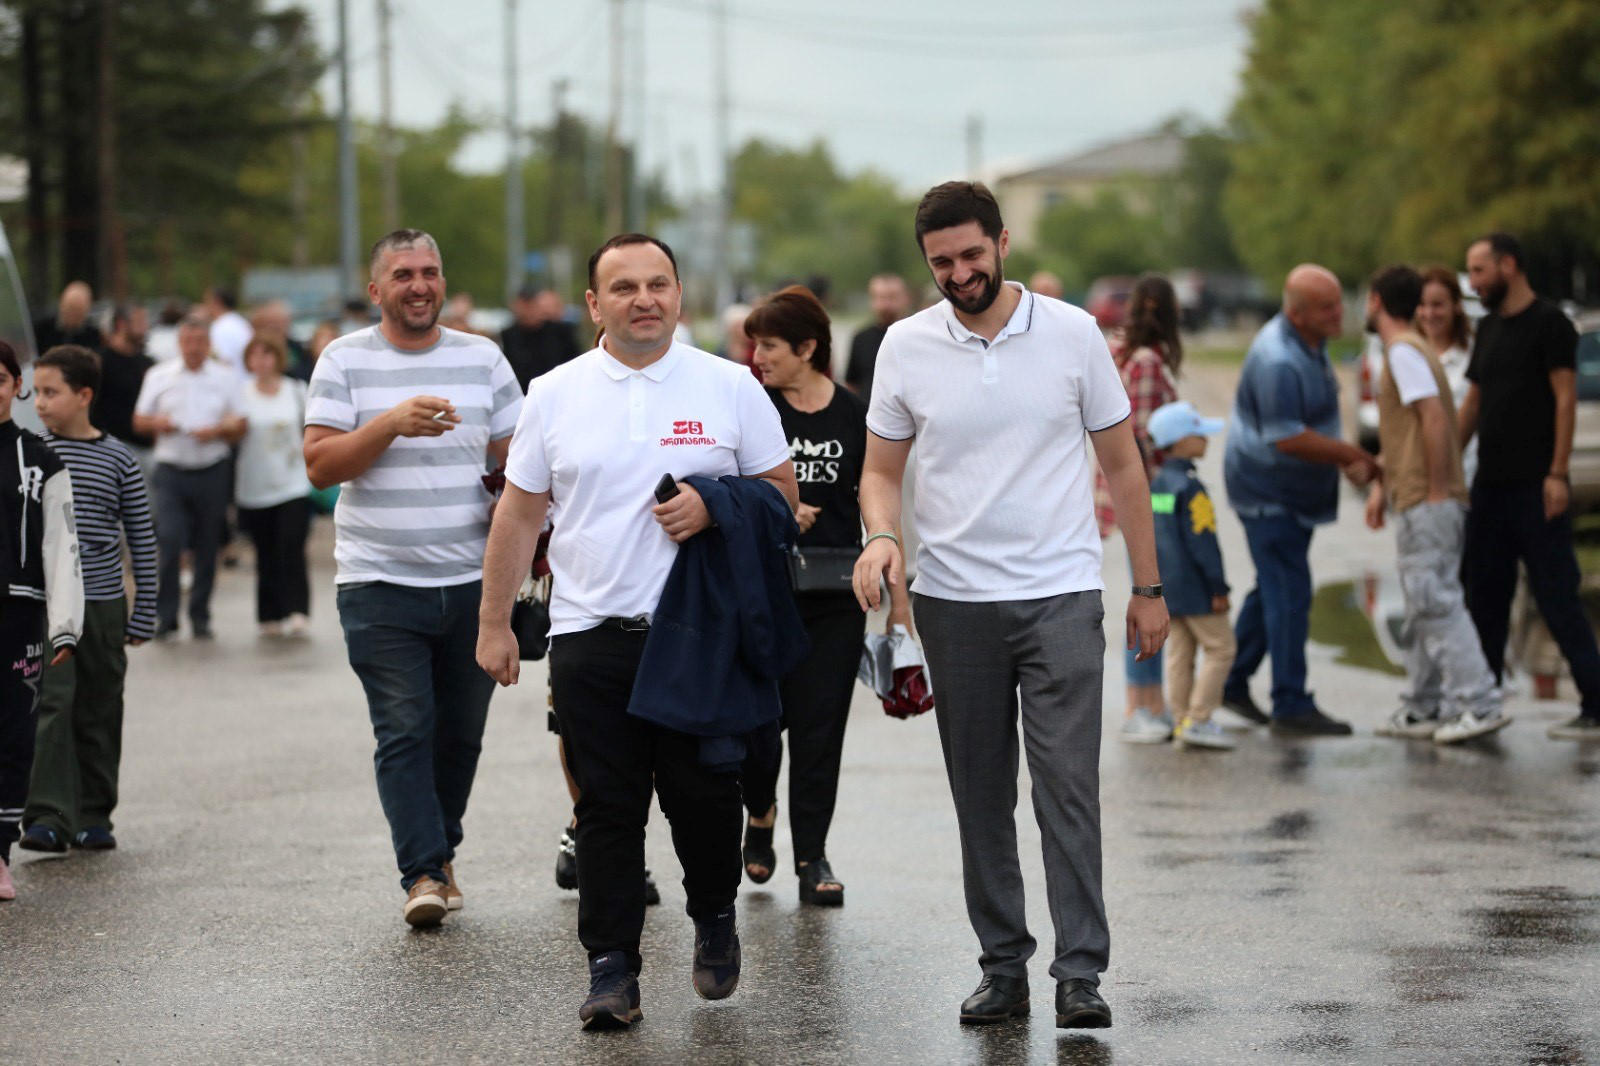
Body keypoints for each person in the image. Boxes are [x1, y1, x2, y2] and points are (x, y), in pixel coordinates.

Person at [853, 182, 1167, 1030]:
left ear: (1000, 241)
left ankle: (1080, 974)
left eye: (971, 255)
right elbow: (880, 474)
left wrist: (1146, 587)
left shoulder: (1071, 334)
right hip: (952, 606)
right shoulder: (904, 346)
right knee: (981, 794)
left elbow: (1125, 465)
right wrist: (882, 538)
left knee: (1068, 787)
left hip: (1061, 595)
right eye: (942, 263)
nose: (959, 274)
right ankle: (1003, 967)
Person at [476, 233, 796, 1030]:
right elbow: (519, 513)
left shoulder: (731, 386)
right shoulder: (553, 391)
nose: (643, 298)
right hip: (592, 634)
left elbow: (782, 501)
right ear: (595, 304)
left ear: (680, 295)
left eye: (658, 283)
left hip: (698, 639)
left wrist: (713, 501)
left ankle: (714, 915)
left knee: (702, 799)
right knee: (606, 811)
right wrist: (494, 622)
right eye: (623, 287)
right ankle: (611, 967)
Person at [304, 229, 521, 928]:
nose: (419, 285)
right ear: (377, 290)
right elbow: (320, 467)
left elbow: (520, 464)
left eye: (429, 271)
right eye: (403, 275)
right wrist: (390, 424)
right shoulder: (343, 360)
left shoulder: (483, 358)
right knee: (404, 728)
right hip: (377, 583)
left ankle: (440, 849)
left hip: (473, 584)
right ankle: (423, 871)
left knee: (458, 736)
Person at [737, 284, 912, 906]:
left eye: (771, 345)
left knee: (818, 732)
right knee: (758, 730)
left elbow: (876, 493)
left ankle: (812, 855)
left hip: (835, 595)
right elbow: (727, 488)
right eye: (754, 343)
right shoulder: (751, 407)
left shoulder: (855, 414)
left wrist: (896, 583)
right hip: (761, 596)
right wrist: (777, 509)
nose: (758, 355)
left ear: (809, 348)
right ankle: (759, 815)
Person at [1219, 265, 1379, 735]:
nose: (1337, 314)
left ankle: (1231, 680)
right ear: (1296, 311)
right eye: (1326, 308)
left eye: (1336, 304)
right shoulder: (1276, 358)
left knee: (1275, 585)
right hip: (1266, 490)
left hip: (1290, 489)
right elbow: (1286, 437)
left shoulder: (1310, 338)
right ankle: (1290, 703)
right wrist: (1351, 454)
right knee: (1289, 592)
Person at [1458, 232, 1600, 742]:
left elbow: (1565, 400)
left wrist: (1557, 474)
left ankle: (1595, 702)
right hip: (1490, 486)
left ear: (1508, 265)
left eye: (1479, 270)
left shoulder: (1550, 325)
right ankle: (1485, 698)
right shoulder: (1489, 327)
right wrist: (1448, 464)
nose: (1473, 282)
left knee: (1556, 596)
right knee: (1484, 596)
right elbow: (1472, 404)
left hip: (1536, 487)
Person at [1360, 265, 1510, 744]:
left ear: (1377, 301)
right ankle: (1424, 706)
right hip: (1420, 496)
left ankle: (1479, 702)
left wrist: (1438, 490)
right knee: (1424, 602)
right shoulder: (1411, 349)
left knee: (1435, 601)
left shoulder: (1402, 351)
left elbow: (1433, 420)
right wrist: (1386, 487)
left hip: (1428, 500)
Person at [19, 346, 157, 855]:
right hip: (48, 604)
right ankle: (49, 814)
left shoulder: (119, 458)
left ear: (84, 396)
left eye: (52, 393)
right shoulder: (31, 452)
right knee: (50, 705)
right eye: (36, 392)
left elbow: (141, 537)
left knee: (99, 704)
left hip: (101, 602)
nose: (40, 404)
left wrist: (145, 606)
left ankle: (95, 814)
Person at [0, 340, 82, 901]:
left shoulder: (41, 459)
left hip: (18, 610)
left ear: (16, 386)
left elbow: (63, 545)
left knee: (12, 733)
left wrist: (65, 623)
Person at [132, 314, 247, 640]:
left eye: (200, 342)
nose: (194, 348)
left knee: (208, 543)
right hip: (171, 468)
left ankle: (200, 614)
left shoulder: (225, 377)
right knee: (169, 538)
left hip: (211, 466)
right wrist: (158, 424)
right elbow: (139, 420)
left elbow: (241, 424)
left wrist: (219, 429)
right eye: (188, 341)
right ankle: (166, 615)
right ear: (179, 343)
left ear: (208, 344)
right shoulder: (159, 375)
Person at [1110, 273, 1182, 744]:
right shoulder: (1148, 361)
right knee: (1150, 594)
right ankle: (1141, 705)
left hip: (1136, 491)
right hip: (1153, 492)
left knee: (1147, 593)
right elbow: (1140, 439)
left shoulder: (1120, 353)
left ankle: (1150, 702)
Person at [1146, 401, 1236, 750]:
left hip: (1169, 585)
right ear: (1181, 441)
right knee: (1221, 648)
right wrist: (1218, 586)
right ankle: (1199, 719)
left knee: (1179, 654)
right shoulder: (1191, 487)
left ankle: (1182, 717)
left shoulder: (1158, 485)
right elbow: (1203, 541)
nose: (1205, 440)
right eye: (1199, 434)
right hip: (1198, 588)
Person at [237, 333, 311, 638]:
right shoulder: (240, 394)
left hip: (293, 483)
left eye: (267, 354)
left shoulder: (296, 391)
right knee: (265, 551)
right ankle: (268, 613)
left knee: (291, 545)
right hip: (255, 483)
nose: (262, 361)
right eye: (255, 355)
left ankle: (297, 610)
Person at [94, 305, 156, 455]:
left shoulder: (148, 363)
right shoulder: (100, 362)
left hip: (144, 447)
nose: (145, 327)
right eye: (140, 322)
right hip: (110, 448)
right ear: (122, 324)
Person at [844, 273, 912, 399]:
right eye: (880, 298)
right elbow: (851, 384)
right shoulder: (860, 338)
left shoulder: (918, 336)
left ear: (906, 298)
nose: (885, 305)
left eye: (892, 297)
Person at [500, 285, 581, 391]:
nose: (529, 310)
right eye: (525, 305)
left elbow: (575, 363)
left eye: (532, 305)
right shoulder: (508, 336)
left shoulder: (561, 332)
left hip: (558, 390)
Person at [32, 281, 102, 352]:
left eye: (78, 311)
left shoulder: (92, 335)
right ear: (61, 305)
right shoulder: (42, 328)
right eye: (70, 308)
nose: (73, 315)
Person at [204, 287, 252, 378]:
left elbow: (222, 361)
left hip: (232, 384)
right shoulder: (242, 323)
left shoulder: (220, 327)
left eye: (207, 301)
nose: (206, 305)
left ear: (217, 302)